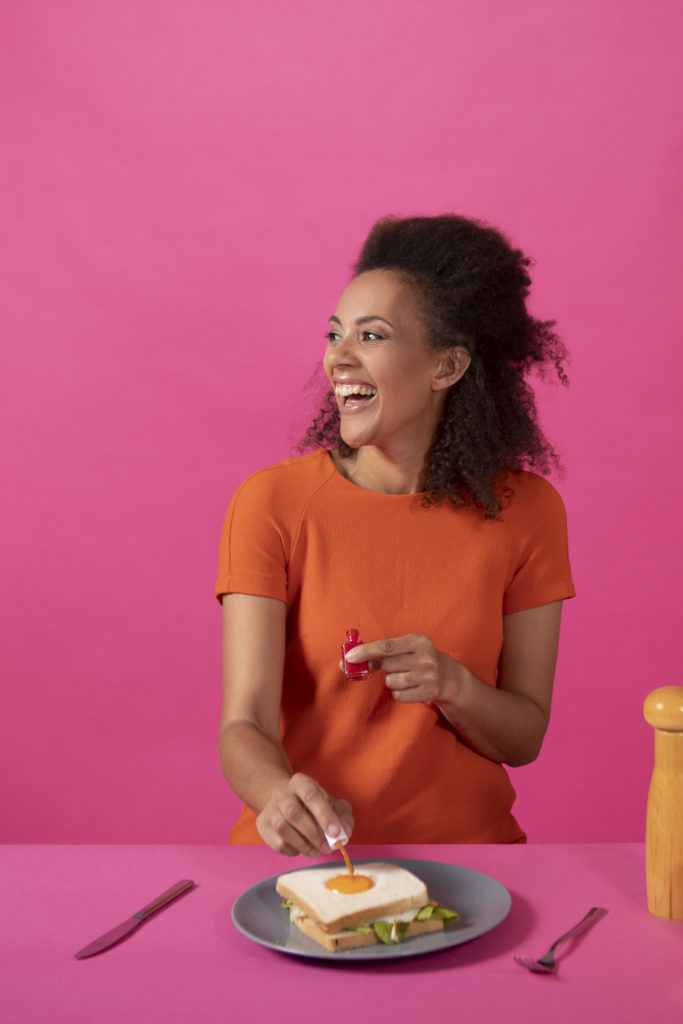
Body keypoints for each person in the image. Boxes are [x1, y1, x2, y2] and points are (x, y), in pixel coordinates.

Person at [215, 214, 575, 856]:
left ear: (447, 365)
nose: (338, 357)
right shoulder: (272, 503)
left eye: (371, 335)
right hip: (313, 868)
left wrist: (454, 686)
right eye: (335, 333)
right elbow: (244, 723)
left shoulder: (527, 512)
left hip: (471, 866)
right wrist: (277, 797)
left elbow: (524, 738)